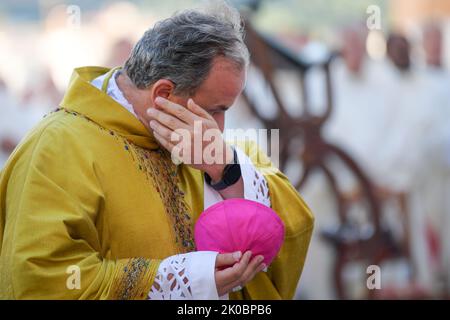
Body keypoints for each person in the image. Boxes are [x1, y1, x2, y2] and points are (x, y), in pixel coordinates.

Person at [0, 1, 314, 300]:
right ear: (163, 93)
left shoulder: (204, 140)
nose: (219, 127)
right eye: (216, 109)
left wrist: (226, 169)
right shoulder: (56, 147)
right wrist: (183, 282)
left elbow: (295, 222)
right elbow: (42, 279)